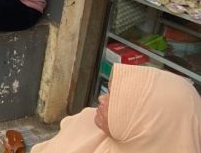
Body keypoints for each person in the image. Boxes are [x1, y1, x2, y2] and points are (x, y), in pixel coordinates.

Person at [32, 64, 201, 152]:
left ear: (146, 123)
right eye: (110, 92)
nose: (101, 98)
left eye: (114, 97)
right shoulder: (86, 123)